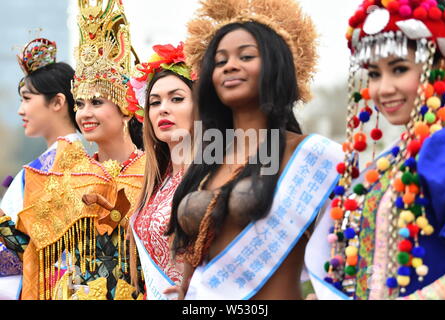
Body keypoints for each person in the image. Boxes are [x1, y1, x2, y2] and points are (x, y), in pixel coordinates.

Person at [165, 0, 344, 300]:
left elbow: (355, 246)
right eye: (220, 61)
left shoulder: (313, 156)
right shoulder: (207, 160)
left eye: (246, 56)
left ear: (276, 65)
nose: (230, 66)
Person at [0, 0, 145, 300]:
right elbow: (30, 244)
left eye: (96, 102)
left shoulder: (153, 174)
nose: (84, 113)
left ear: (127, 110)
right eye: (79, 104)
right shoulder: (70, 174)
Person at [306, 0, 445, 300]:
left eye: (399, 69)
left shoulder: (443, 148)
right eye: (374, 74)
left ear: (441, 66)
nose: (383, 88)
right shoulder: (392, 160)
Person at [0, 38, 80, 300]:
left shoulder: (55, 166)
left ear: (57, 102)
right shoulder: (55, 160)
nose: (21, 110)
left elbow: (26, 247)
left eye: (27, 99)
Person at [125, 42, 195, 300]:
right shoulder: (156, 182)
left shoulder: (216, 177)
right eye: (154, 102)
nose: (163, 108)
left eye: (177, 99)